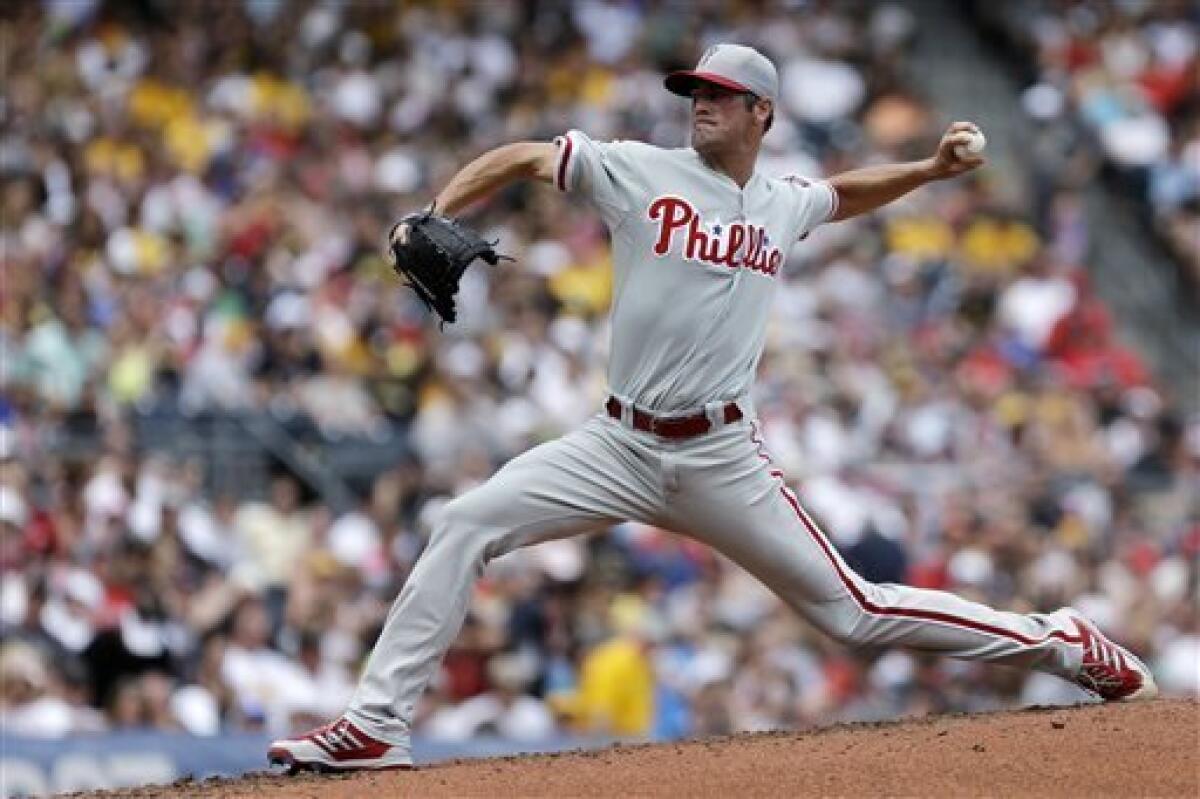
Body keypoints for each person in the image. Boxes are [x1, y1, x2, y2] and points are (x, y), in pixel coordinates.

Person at [268, 44, 1156, 773]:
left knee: (855, 610)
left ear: (761, 113)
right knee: (463, 521)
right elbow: (528, 155)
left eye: (722, 95)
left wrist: (928, 168)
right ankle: (377, 723)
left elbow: (846, 193)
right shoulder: (636, 170)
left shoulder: (780, 201)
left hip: (722, 457)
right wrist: (433, 210)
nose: (701, 103)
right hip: (614, 442)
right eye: (695, 90)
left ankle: (1063, 642)